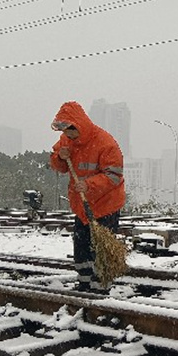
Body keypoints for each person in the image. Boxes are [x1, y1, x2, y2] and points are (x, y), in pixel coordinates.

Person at [50, 101, 125, 291]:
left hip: (105, 204)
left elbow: (114, 176)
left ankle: (101, 284)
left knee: (100, 250)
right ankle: (84, 282)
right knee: (81, 247)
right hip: (82, 206)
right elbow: (59, 167)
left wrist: (89, 185)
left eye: (69, 132)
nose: (66, 136)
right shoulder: (66, 141)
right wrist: (60, 157)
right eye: (64, 132)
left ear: (78, 126)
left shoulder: (105, 143)